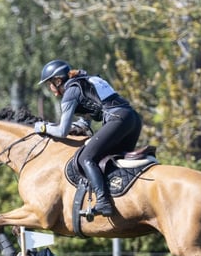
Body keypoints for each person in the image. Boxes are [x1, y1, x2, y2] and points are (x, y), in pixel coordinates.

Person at [34, 59, 142, 216]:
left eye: (49, 83)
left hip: (117, 119)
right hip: (133, 119)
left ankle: (103, 202)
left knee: (86, 157)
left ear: (58, 80)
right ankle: (122, 197)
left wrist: (43, 127)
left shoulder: (71, 92)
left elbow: (62, 131)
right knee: (112, 161)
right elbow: (85, 124)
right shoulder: (85, 82)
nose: (50, 88)